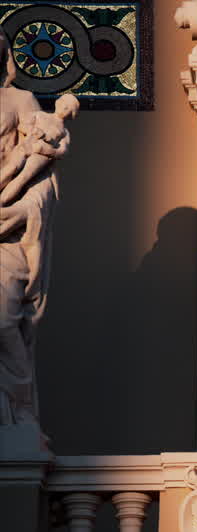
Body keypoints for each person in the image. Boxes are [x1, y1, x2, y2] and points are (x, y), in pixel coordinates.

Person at [0, 34, 78, 433]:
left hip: (7, 235)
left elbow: (42, 185)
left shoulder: (21, 101)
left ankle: (17, 416)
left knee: (3, 321)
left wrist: (18, 212)